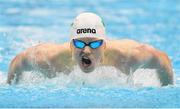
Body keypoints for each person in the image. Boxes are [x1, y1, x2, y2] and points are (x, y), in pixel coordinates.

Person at [7, 12, 174, 86]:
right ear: (71, 45)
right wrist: (11, 85)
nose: (86, 51)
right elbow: (17, 63)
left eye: (94, 44)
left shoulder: (130, 57)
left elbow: (163, 60)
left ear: (105, 45)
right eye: (80, 44)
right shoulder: (48, 59)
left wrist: (167, 86)